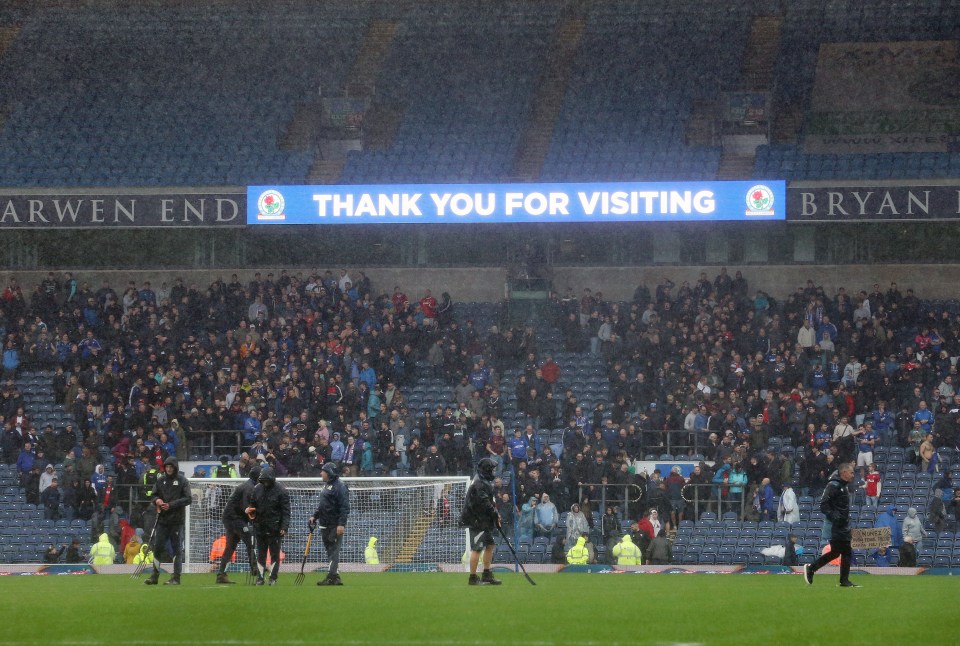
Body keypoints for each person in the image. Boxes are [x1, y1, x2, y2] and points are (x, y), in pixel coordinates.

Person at [804, 463, 857, 587]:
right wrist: (835, 516)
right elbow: (823, 505)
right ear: (844, 473)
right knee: (842, 552)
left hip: (842, 525)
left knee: (841, 552)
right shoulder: (833, 485)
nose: (853, 475)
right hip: (835, 526)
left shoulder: (842, 486)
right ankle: (813, 569)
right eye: (851, 472)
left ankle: (842, 579)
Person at [145, 457, 191, 586]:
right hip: (162, 520)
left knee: (176, 550)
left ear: (175, 467)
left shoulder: (183, 481)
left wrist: (171, 505)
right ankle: (154, 575)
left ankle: (176, 577)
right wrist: (157, 501)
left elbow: (188, 499)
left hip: (176, 521)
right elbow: (153, 495)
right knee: (158, 548)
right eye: (167, 467)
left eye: (171, 467)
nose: (169, 469)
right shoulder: (160, 480)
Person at [459, 457, 502, 586]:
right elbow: (484, 503)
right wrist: (495, 514)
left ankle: (487, 574)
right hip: (477, 521)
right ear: (486, 469)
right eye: (492, 469)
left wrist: (495, 515)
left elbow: (489, 503)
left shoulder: (484, 482)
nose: (494, 472)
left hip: (484, 521)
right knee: (477, 548)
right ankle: (472, 577)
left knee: (490, 545)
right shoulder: (479, 483)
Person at [215, 465, 260, 584]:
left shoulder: (248, 486)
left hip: (230, 517)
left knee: (230, 546)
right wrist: (255, 520)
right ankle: (255, 570)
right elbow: (247, 508)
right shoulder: (249, 488)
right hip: (234, 518)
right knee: (249, 540)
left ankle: (221, 574)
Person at [245, 466, 290, 586]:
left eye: (267, 481)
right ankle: (260, 578)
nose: (265, 483)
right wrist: (250, 511)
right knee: (261, 554)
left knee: (275, 554)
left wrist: (284, 527)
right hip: (259, 526)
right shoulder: (257, 489)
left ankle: (273, 578)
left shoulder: (281, 491)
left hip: (275, 527)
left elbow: (286, 511)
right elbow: (252, 505)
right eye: (263, 481)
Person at [309, 462, 350, 586]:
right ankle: (335, 577)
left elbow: (344, 507)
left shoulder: (340, 486)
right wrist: (315, 516)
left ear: (329, 473)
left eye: (323, 471)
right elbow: (323, 505)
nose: (321, 473)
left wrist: (341, 524)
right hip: (324, 523)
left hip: (334, 524)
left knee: (333, 550)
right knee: (330, 551)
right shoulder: (327, 485)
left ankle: (331, 577)